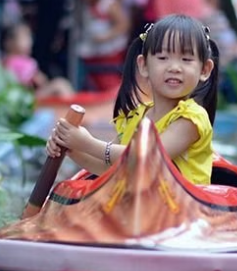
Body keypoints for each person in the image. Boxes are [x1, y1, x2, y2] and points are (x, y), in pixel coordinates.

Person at [46, 14, 220, 185]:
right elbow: (110, 169)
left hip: (184, 208)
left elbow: (145, 157)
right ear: (144, 66)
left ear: (205, 69)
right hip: (141, 202)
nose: (174, 67)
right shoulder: (135, 116)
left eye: (186, 59)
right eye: (163, 58)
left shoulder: (192, 119)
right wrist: (72, 148)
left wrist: (88, 143)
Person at [76, 0, 130, 92]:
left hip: (109, 53)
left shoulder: (108, 3)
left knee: (109, 84)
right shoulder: (82, 4)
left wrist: (106, 36)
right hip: (90, 52)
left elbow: (123, 25)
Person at [1, 23, 72, 99]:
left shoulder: (5, 61)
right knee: (60, 85)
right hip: (26, 99)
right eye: (24, 38)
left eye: (29, 37)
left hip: (24, 97)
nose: (29, 42)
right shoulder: (19, 63)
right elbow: (41, 81)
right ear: (9, 42)